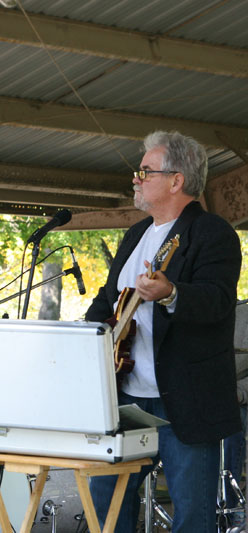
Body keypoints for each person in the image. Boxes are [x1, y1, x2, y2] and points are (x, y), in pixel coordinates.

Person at [85, 131, 242, 532]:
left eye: (146, 171)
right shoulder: (136, 234)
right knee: (104, 502)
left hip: (185, 401)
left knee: (192, 515)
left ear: (177, 181)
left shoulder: (212, 232)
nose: (136, 179)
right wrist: (87, 337)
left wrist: (171, 292)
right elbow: (107, 301)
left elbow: (219, 301)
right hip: (127, 398)